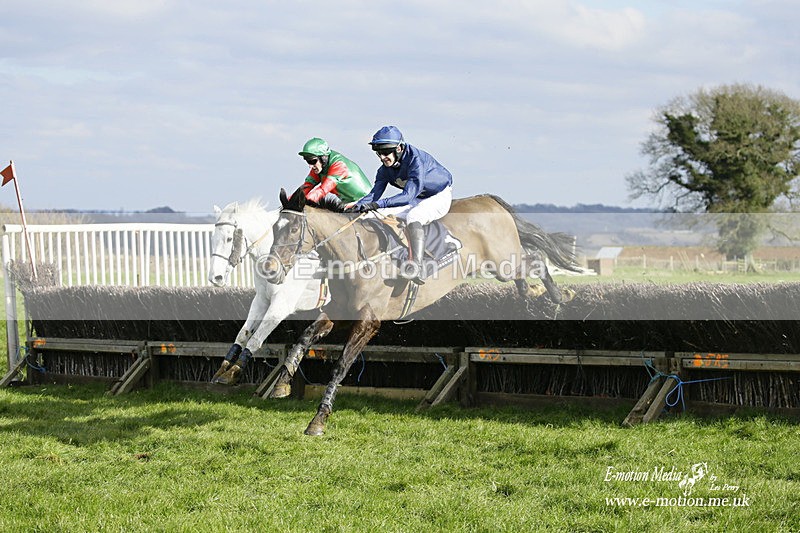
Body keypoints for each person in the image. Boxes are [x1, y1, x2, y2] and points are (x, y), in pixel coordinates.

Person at [350, 126, 453, 282]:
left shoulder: (415, 161)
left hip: (439, 196)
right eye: (379, 153)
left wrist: (378, 204)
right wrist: (356, 208)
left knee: (414, 216)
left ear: (399, 148)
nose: (382, 158)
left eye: (385, 153)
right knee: (371, 214)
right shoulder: (384, 170)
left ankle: (416, 267)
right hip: (417, 197)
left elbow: (407, 196)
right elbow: (374, 195)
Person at [297, 137, 371, 206]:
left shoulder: (339, 166)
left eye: (312, 161)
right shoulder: (319, 167)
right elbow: (306, 187)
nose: (310, 166)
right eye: (308, 161)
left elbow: (323, 190)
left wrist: (302, 204)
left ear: (324, 158)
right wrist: (289, 203)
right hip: (347, 202)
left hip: (365, 201)